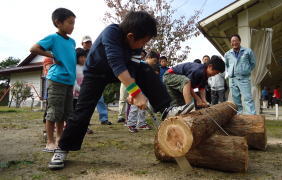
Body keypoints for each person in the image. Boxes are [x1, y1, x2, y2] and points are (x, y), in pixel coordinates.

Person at [48, 11, 193, 169]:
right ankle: (62, 148)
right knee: (83, 112)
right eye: (143, 41)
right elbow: (116, 63)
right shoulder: (112, 33)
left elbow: (133, 67)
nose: (143, 46)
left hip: (118, 69)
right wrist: (137, 93)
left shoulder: (136, 47)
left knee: (146, 70)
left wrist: (133, 92)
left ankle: (166, 109)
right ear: (131, 36)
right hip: (95, 73)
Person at [30, 8, 76, 152]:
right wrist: (51, 55)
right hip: (56, 80)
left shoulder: (73, 42)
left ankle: (59, 138)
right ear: (58, 23)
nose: (72, 26)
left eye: (74, 23)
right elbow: (34, 48)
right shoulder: (53, 38)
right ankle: (50, 141)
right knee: (53, 111)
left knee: (63, 112)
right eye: (70, 23)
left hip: (69, 82)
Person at [81, 35, 111, 125]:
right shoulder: (79, 53)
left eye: (89, 42)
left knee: (100, 99)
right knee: (85, 102)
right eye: (86, 42)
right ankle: (85, 120)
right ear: (82, 44)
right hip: (82, 80)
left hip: (95, 79)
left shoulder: (95, 51)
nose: (88, 44)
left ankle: (104, 118)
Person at [225, 34, 256, 114]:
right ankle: (239, 115)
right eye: (232, 41)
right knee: (236, 99)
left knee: (247, 98)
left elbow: (253, 63)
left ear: (239, 41)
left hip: (244, 78)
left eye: (235, 40)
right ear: (230, 43)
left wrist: (246, 70)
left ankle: (251, 116)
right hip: (232, 79)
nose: (234, 42)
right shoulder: (227, 54)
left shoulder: (248, 51)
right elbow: (227, 65)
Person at [42, 57, 54, 142]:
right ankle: (46, 130)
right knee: (48, 111)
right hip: (50, 93)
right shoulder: (48, 58)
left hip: (55, 91)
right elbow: (49, 68)